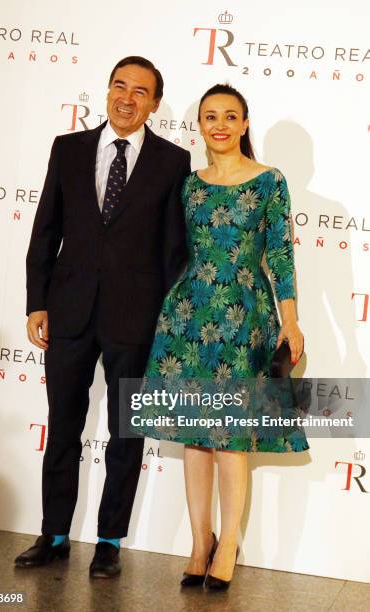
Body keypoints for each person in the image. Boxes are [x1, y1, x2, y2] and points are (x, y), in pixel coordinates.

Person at [14, 56, 191, 578]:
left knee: (125, 434)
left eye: (141, 91)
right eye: (120, 86)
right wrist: (37, 301)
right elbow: (45, 230)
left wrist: (162, 318)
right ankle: (54, 533)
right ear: (107, 89)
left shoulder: (172, 162)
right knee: (63, 426)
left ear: (154, 104)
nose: (127, 98)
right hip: (68, 311)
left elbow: (172, 251)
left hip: (135, 320)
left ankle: (110, 541)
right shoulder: (67, 149)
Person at [135, 84, 309, 590]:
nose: (220, 124)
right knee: (195, 437)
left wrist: (290, 320)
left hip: (246, 317)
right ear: (201, 126)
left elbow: (279, 255)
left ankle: (228, 543)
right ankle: (199, 541)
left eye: (230, 116)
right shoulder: (189, 186)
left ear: (245, 123)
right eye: (210, 116)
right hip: (189, 316)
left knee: (231, 439)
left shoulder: (269, 181)